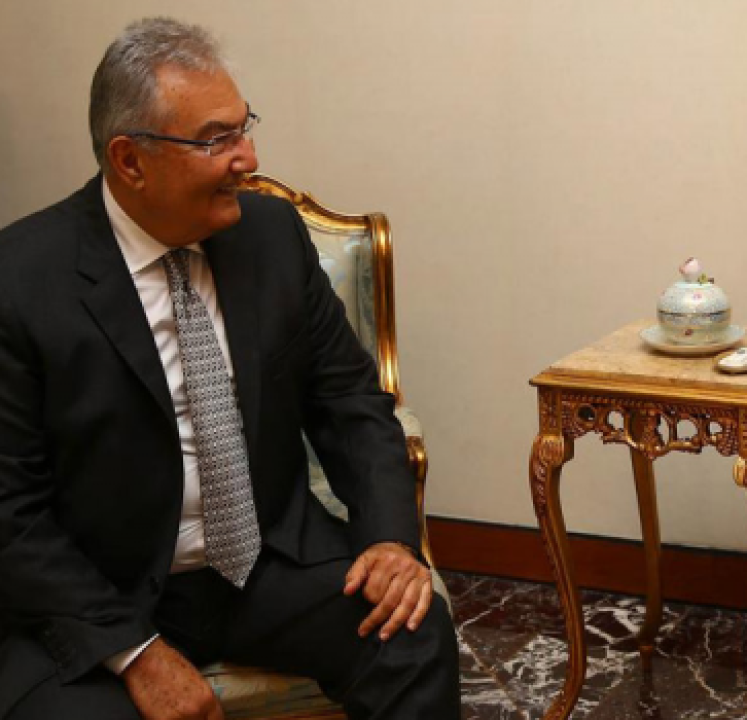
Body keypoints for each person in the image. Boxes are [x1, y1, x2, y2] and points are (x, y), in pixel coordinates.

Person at [0, 18, 461, 719]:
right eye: (216, 140)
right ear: (130, 161)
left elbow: (352, 404)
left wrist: (391, 539)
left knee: (412, 636)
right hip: (101, 591)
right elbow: (11, 510)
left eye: (244, 128)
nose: (248, 158)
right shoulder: (21, 281)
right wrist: (135, 652)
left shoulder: (272, 238)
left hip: (266, 562)